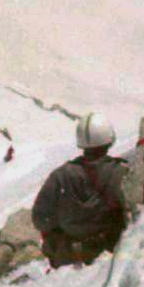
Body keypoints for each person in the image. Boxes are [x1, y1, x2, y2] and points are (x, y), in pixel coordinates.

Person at [31, 113, 129, 268]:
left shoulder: (60, 175)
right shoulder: (121, 173)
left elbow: (41, 219)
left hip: (67, 255)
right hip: (109, 252)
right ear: (109, 139)